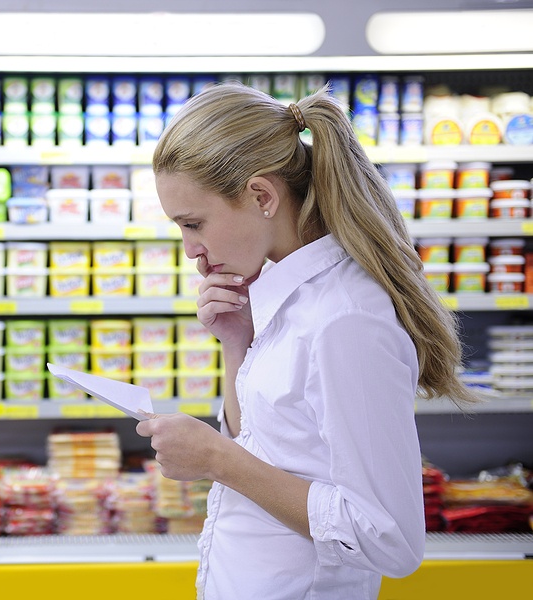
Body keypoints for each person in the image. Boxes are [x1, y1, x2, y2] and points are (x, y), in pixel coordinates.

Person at [135, 81, 479, 600]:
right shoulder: (289, 297)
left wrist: (217, 460)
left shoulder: (346, 320)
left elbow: (389, 540)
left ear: (261, 195)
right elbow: (270, 445)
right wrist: (237, 343)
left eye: (193, 224)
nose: (191, 251)